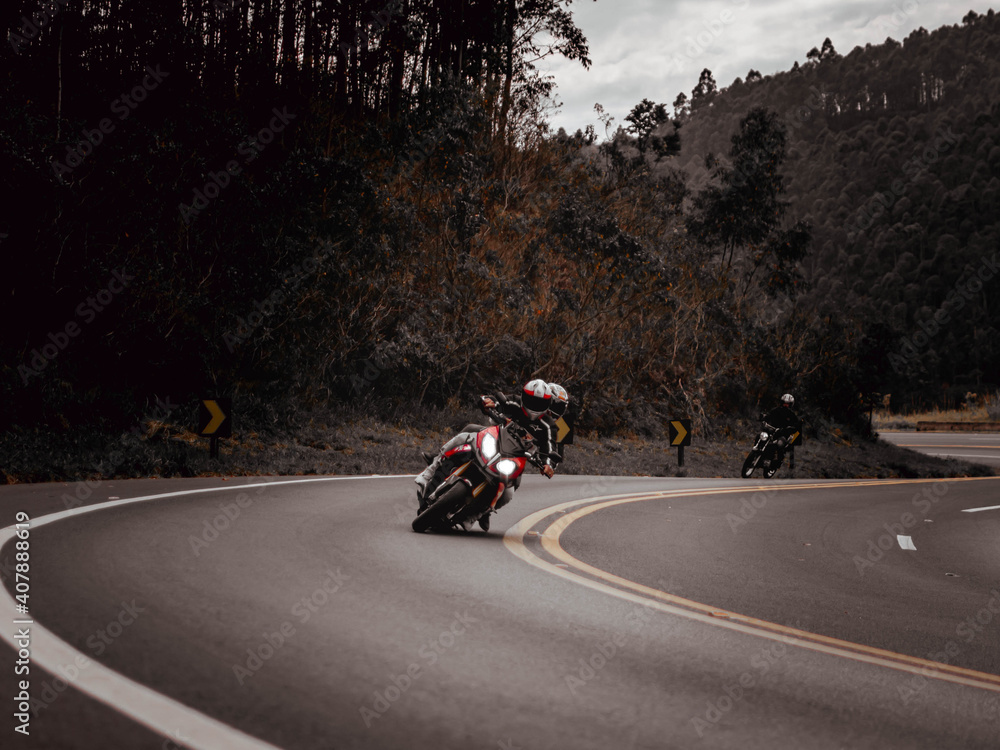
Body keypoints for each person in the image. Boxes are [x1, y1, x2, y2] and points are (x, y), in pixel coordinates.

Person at [415, 379, 557, 528]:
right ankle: (431, 470)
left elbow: (550, 448)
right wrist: (489, 402)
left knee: (508, 493)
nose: (534, 406)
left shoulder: (548, 426)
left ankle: (474, 516)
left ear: (547, 404)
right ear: (524, 396)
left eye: (540, 403)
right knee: (465, 436)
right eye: (531, 400)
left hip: (515, 458)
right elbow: (497, 401)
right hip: (495, 440)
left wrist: (548, 464)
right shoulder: (515, 402)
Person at [762, 393, 802, 460]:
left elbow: (795, 426)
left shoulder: (792, 415)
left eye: (788, 404)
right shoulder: (776, 410)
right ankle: (757, 450)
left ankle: (777, 460)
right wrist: (764, 418)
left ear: (790, 405)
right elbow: (768, 415)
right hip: (772, 430)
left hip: (782, 434)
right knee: (760, 436)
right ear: (781, 403)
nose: (785, 405)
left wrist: (788, 429)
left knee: (779, 444)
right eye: (784, 403)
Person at [544, 382, 570, 464]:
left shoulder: (559, 426)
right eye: (555, 405)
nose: (556, 410)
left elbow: (559, 456)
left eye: (560, 407)